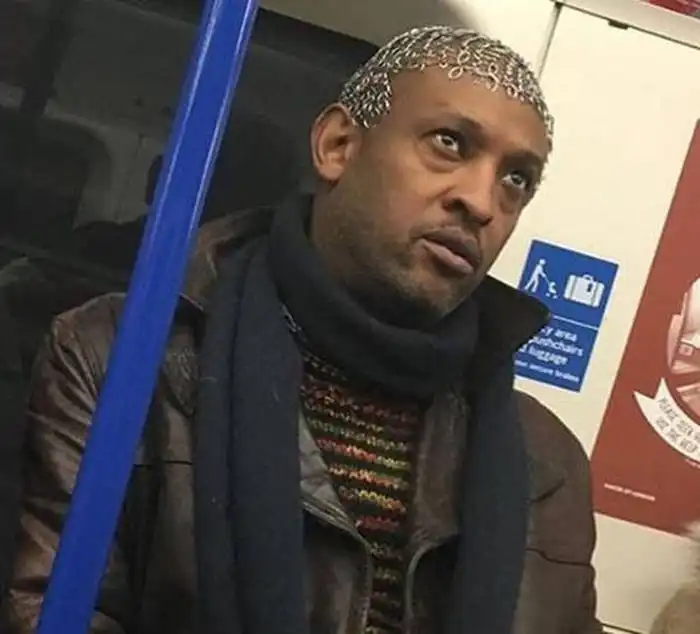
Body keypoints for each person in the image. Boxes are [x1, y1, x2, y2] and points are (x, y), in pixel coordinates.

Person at [1, 26, 601, 634]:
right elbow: (56, 612)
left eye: (516, 179)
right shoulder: (123, 360)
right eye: (449, 143)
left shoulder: (545, 464)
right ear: (338, 145)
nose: (481, 201)